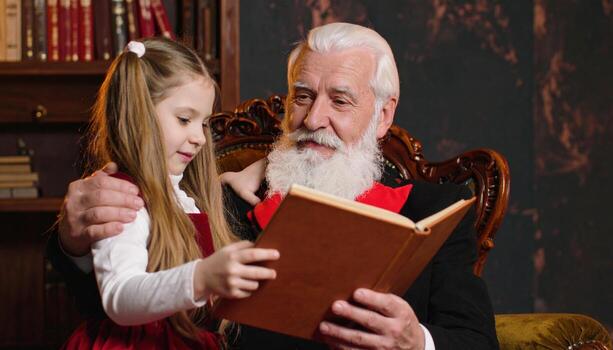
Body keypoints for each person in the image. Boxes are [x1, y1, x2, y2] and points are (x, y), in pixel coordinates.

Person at [49, 24, 499, 349]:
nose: (313, 119)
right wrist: (74, 239)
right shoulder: (219, 198)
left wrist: (415, 341)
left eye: (340, 100)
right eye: (302, 96)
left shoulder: (436, 209)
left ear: (383, 116)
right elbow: (119, 306)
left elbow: (476, 341)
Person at [55, 37, 280, 350]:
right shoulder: (123, 198)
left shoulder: (191, 196)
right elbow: (119, 296)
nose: (200, 138)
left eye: (204, 124)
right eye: (185, 120)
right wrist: (201, 277)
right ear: (139, 114)